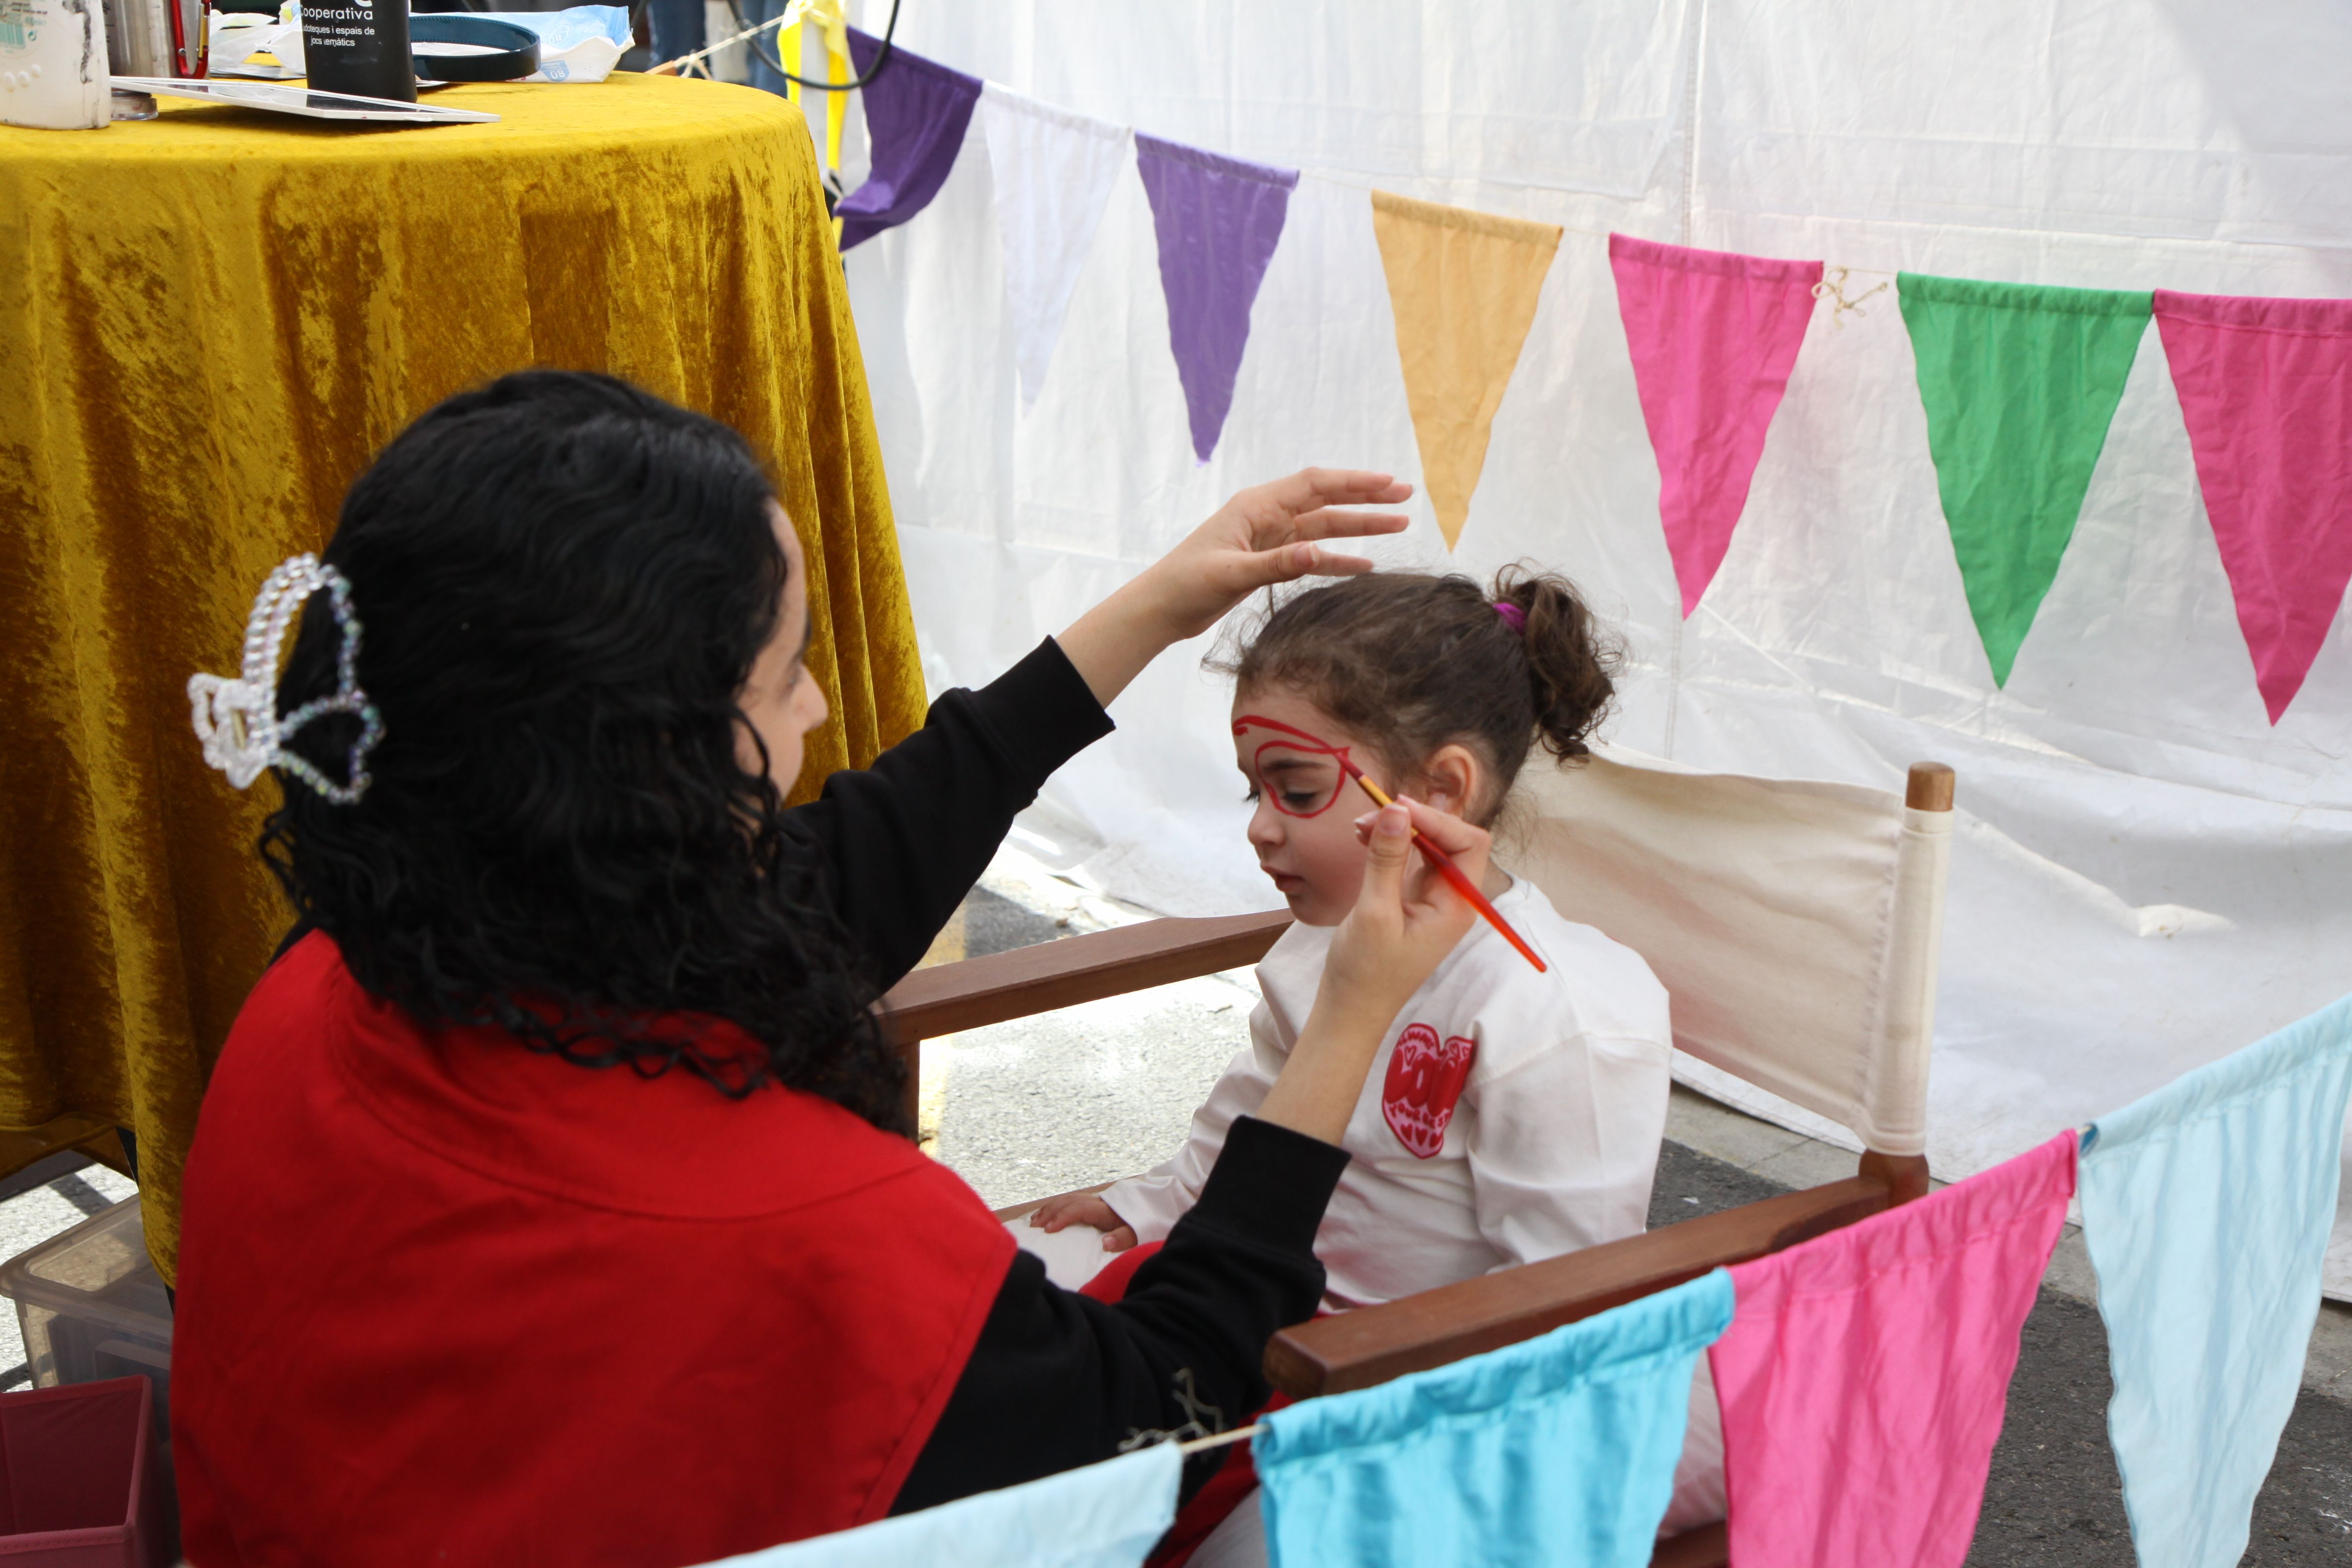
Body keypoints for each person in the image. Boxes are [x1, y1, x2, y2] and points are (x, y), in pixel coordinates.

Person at [167, 371, 1492, 1567]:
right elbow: (1161, 1415)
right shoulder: (815, 1243)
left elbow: (838, 870)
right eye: (786, 670)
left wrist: (1157, 603)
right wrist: (1350, 1020)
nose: (814, 706)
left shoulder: (339, 973)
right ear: (655, 767)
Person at [1019, 569, 1678, 1566]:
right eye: (1254, 790)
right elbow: (1253, 1119)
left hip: (1405, 1397)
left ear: (1442, 791)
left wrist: (1410, 1420)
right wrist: (1151, 1203)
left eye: (1296, 790)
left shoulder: (1562, 1014)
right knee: (992, 1360)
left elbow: (1559, 1295)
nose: (1258, 825)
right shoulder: (1319, 943)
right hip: (1252, 1322)